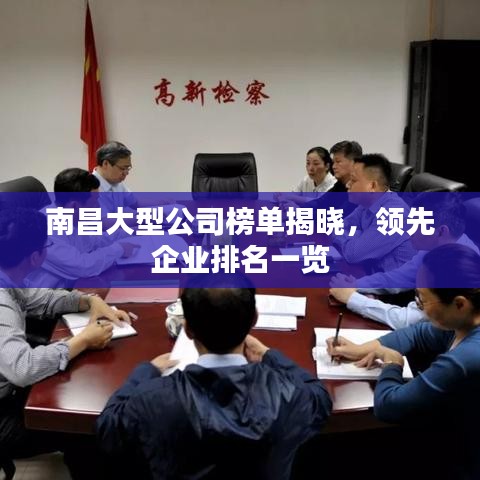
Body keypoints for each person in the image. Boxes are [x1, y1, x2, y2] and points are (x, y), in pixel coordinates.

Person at [97, 275, 332, 480]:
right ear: (254, 319)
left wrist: (146, 371)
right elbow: (320, 398)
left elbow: (108, 429)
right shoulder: (289, 394)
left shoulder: (153, 398)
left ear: (187, 329)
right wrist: (269, 355)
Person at [327, 243, 480, 479]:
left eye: (423, 301)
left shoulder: (467, 356)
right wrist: (362, 349)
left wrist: (392, 364)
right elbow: (417, 333)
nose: (420, 307)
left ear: (459, 304)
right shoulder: (465, 319)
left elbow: (389, 407)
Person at [0, 206, 129, 469]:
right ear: (36, 257)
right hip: (3, 413)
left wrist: (88, 301)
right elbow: (22, 369)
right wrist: (82, 341)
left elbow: (42, 299)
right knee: (84, 425)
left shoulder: (9, 277)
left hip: (10, 384)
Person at [329, 193, 479, 329]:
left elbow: (409, 320)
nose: (408, 230)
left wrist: (352, 299)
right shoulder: (437, 247)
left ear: (441, 231)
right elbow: (398, 278)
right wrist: (355, 285)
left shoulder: (458, 268)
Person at [26, 168, 138, 288]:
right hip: (50, 295)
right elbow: (82, 266)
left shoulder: (72, 217)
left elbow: (95, 241)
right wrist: (119, 249)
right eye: (94, 202)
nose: (98, 207)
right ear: (74, 206)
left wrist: (131, 232)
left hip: (72, 287)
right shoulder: (44, 228)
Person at [332, 153, 415, 273]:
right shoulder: (366, 204)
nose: (347, 184)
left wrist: (356, 238)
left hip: (390, 282)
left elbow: (353, 254)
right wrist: (359, 237)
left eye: (353, 180)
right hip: (367, 271)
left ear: (372, 186)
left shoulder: (393, 214)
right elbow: (337, 227)